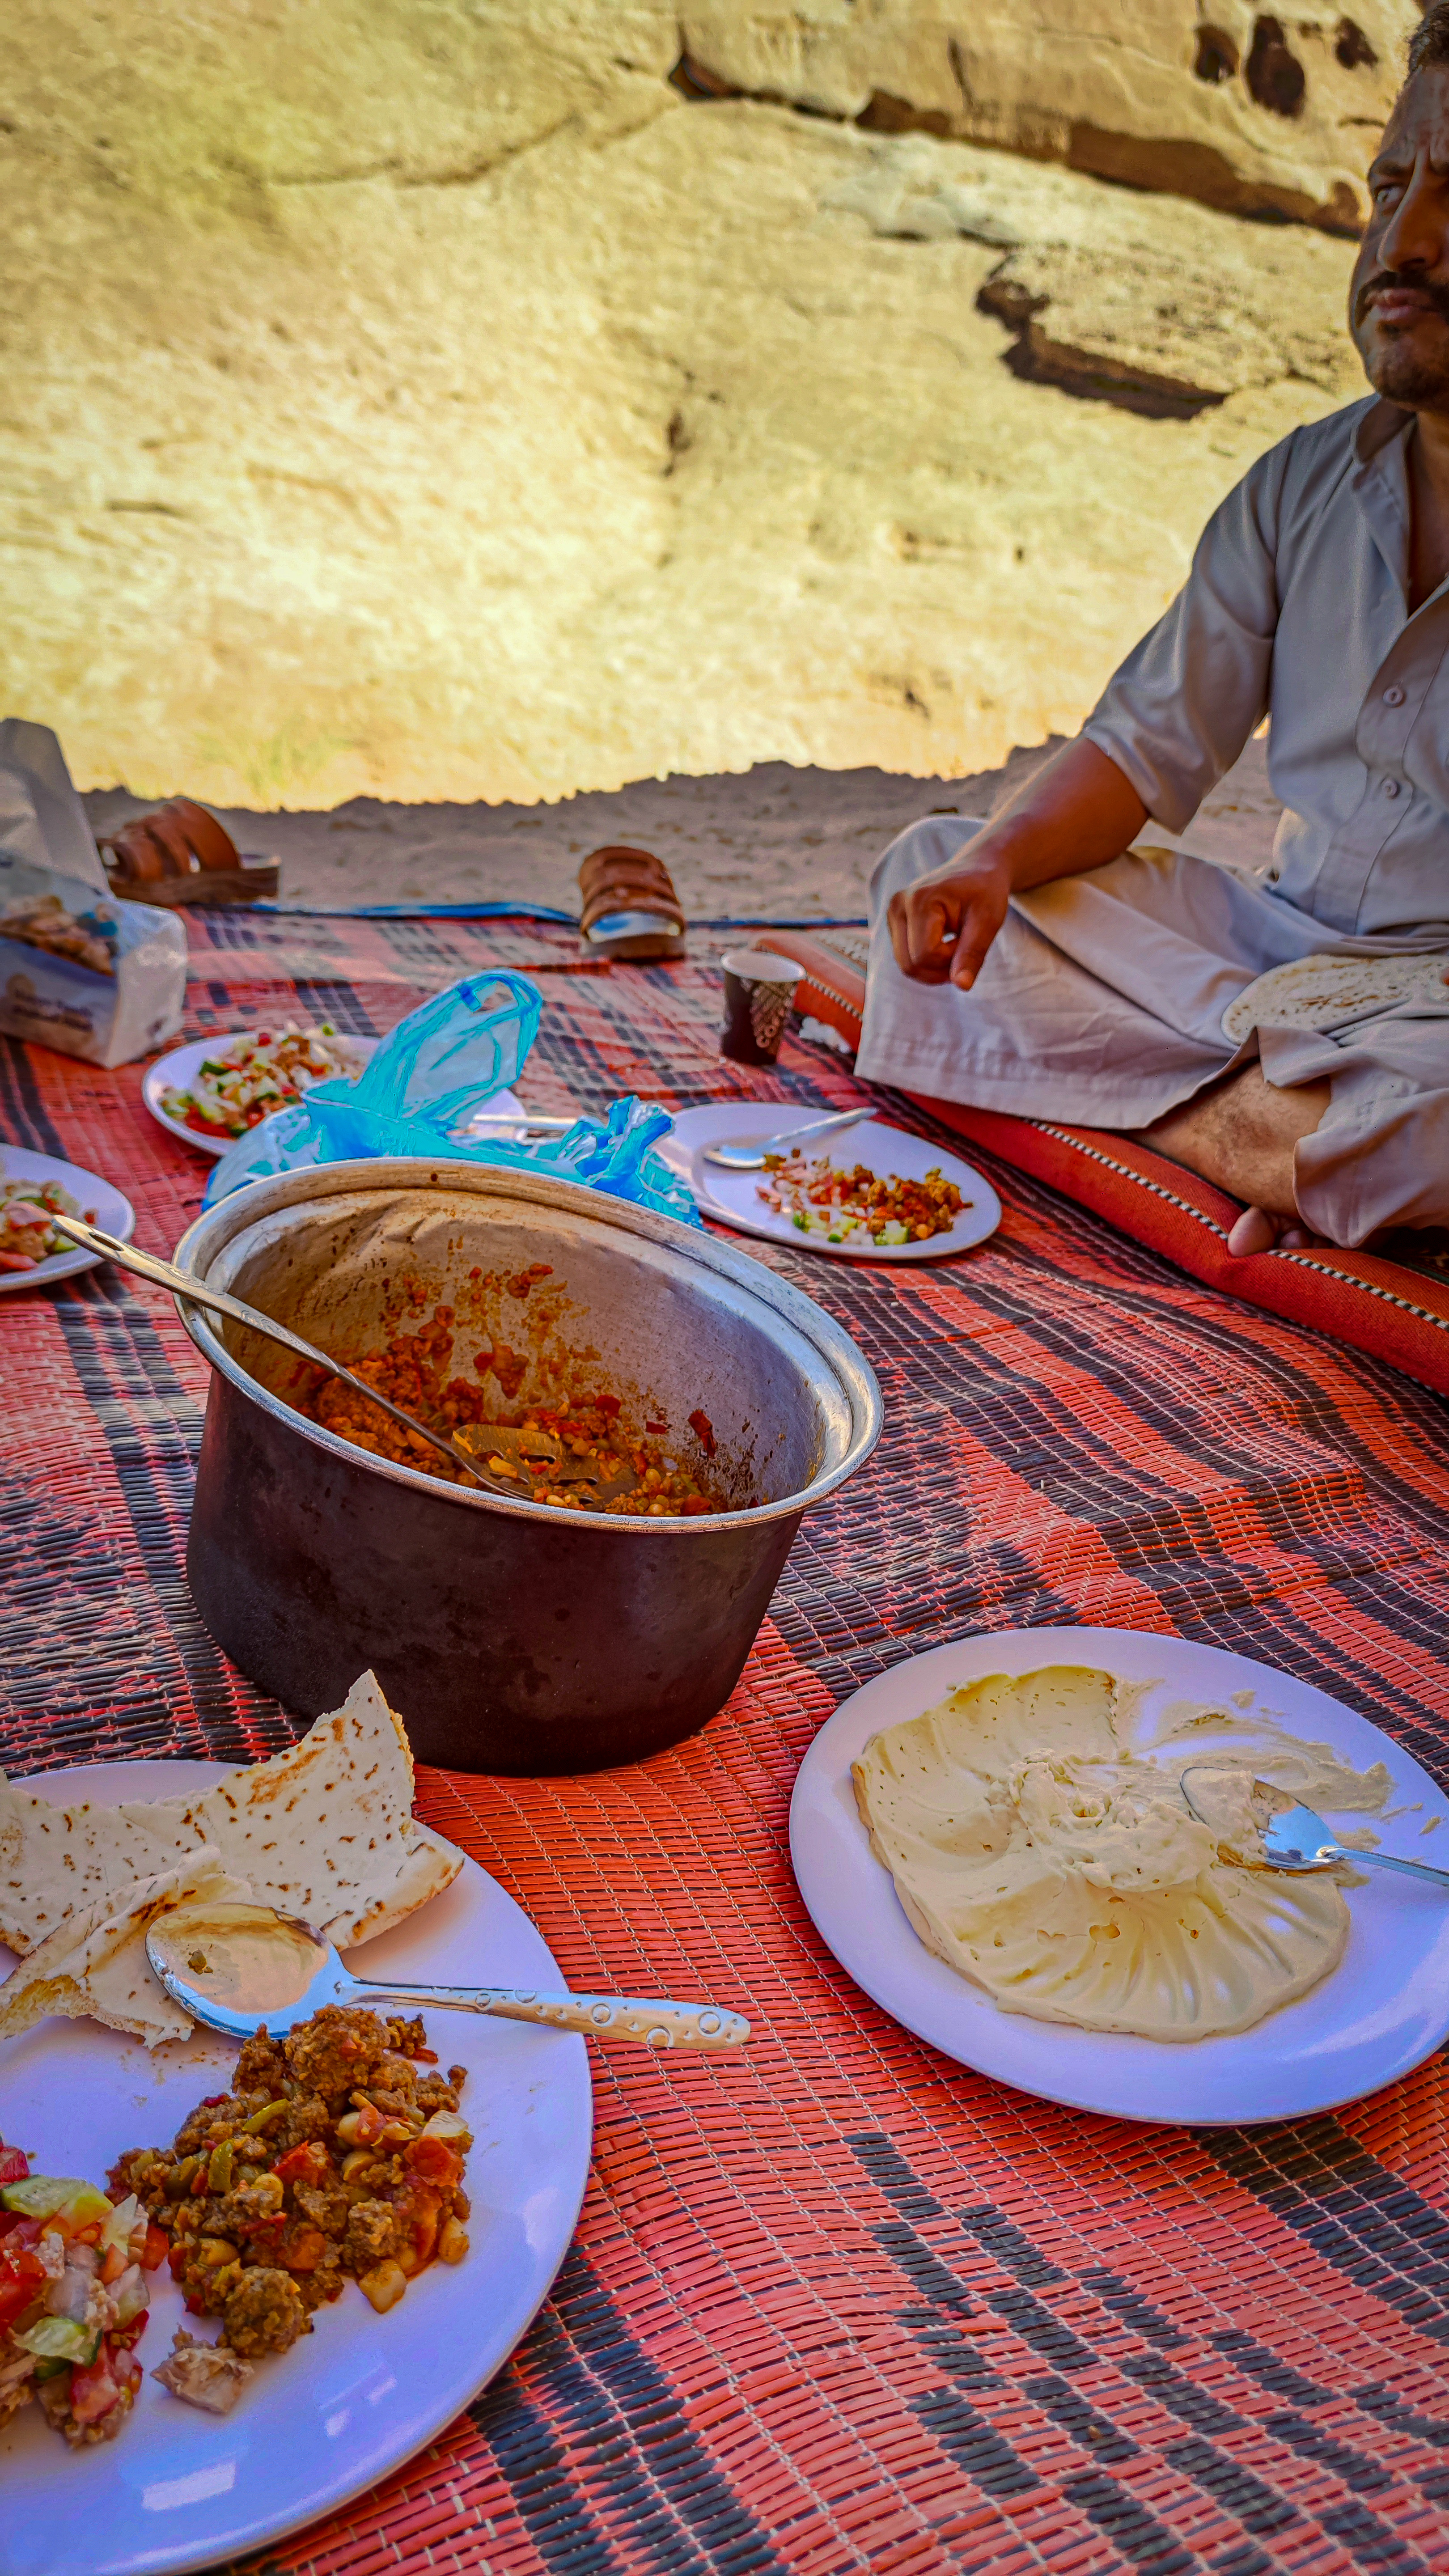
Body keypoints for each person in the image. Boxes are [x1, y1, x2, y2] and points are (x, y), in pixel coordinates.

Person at [858, 9, 1449, 1254]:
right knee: (943, 873)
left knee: (1434, 1122)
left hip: (1437, 1027)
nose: (1405, 242)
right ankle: (1265, 1141)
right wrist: (997, 861)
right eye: (1390, 186)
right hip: (1273, 966)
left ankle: (1212, 1126)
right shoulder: (1303, 486)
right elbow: (1141, 754)